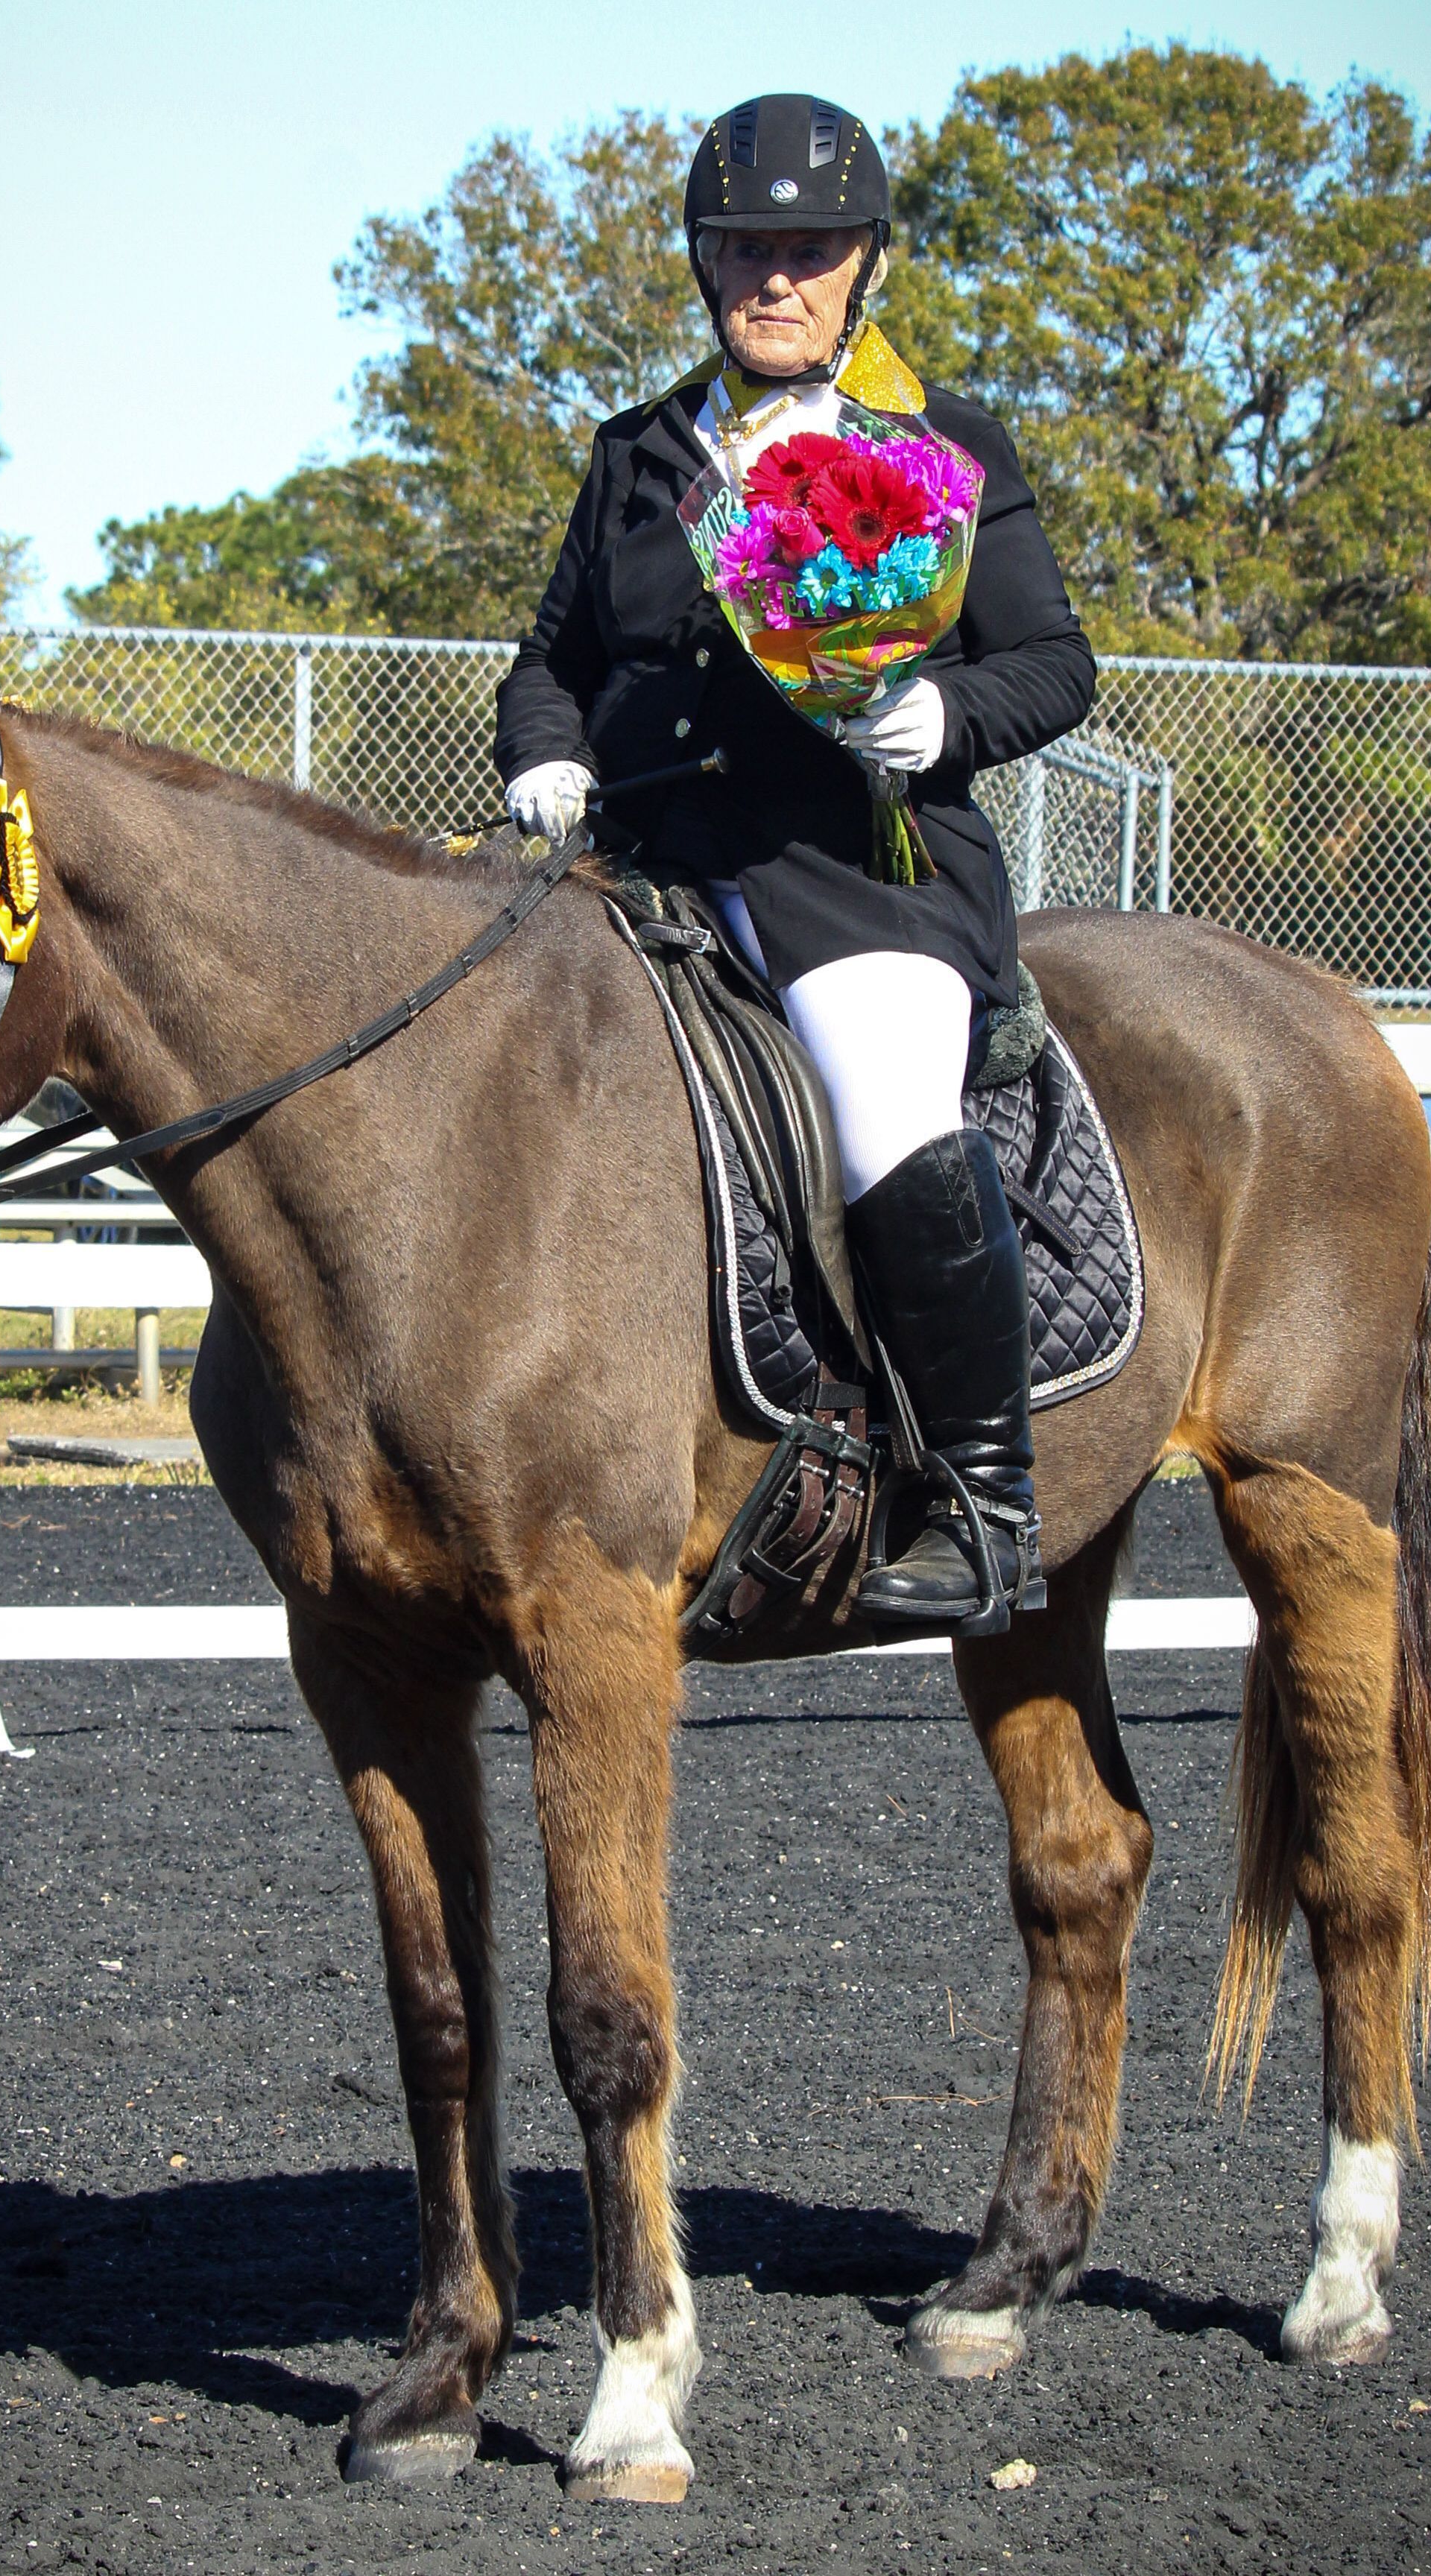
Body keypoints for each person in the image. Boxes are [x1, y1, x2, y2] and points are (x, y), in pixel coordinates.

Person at [494, 93, 1097, 1630]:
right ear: (705, 266)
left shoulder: (943, 443)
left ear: (861, 267)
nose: (774, 278)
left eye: (808, 251)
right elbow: (552, 657)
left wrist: (941, 709)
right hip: (639, 867)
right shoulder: (637, 454)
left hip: (856, 867)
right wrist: (544, 751)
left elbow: (1052, 661)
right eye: (743, 248)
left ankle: (982, 1500)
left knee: (884, 1099)